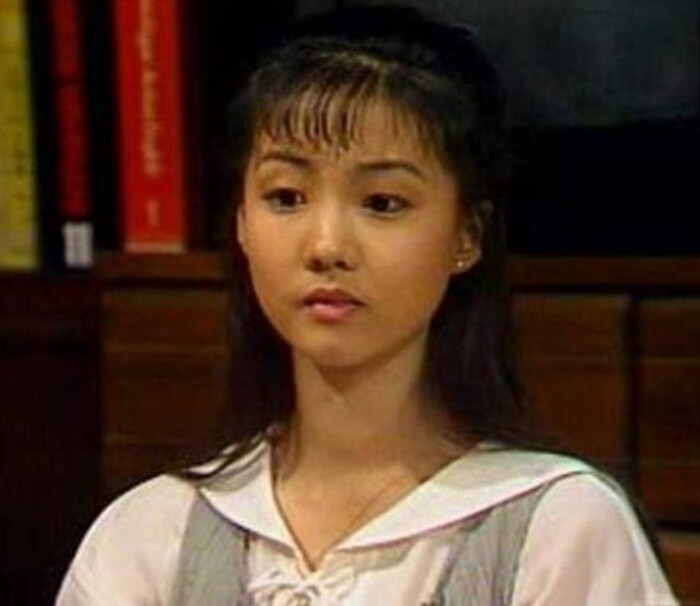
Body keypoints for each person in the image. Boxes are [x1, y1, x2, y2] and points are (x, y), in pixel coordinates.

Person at [56, 5, 678, 605]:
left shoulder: (557, 529)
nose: (327, 246)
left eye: (382, 203)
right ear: (241, 221)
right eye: (286, 197)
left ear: (467, 235)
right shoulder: (150, 535)